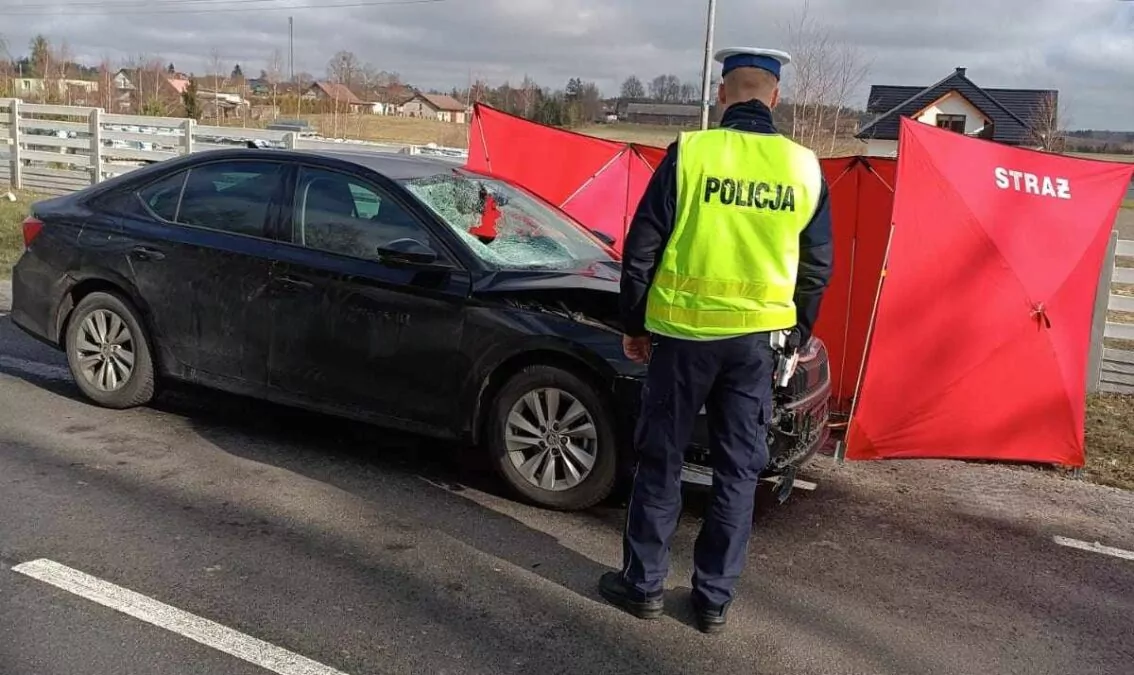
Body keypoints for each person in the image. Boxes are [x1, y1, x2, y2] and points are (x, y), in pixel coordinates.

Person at [598, 47, 833, 634]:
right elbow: (816, 267)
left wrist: (634, 323)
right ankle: (712, 601)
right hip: (754, 347)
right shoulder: (804, 167)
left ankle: (644, 585)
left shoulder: (692, 153)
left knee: (662, 461)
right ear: (774, 98)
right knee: (736, 473)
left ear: (722, 94)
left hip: (681, 339)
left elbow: (642, 247)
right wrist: (796, 333)